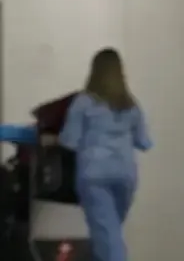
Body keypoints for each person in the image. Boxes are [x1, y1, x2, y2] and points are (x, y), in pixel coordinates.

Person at [59, 48, 152, 261]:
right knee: (106, 235)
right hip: (125, 176)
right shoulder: (131, 105)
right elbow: (144, 142)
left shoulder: (84, 102)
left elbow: (70, 141)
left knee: (108, 240)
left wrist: (52, 137)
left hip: (94, 177)